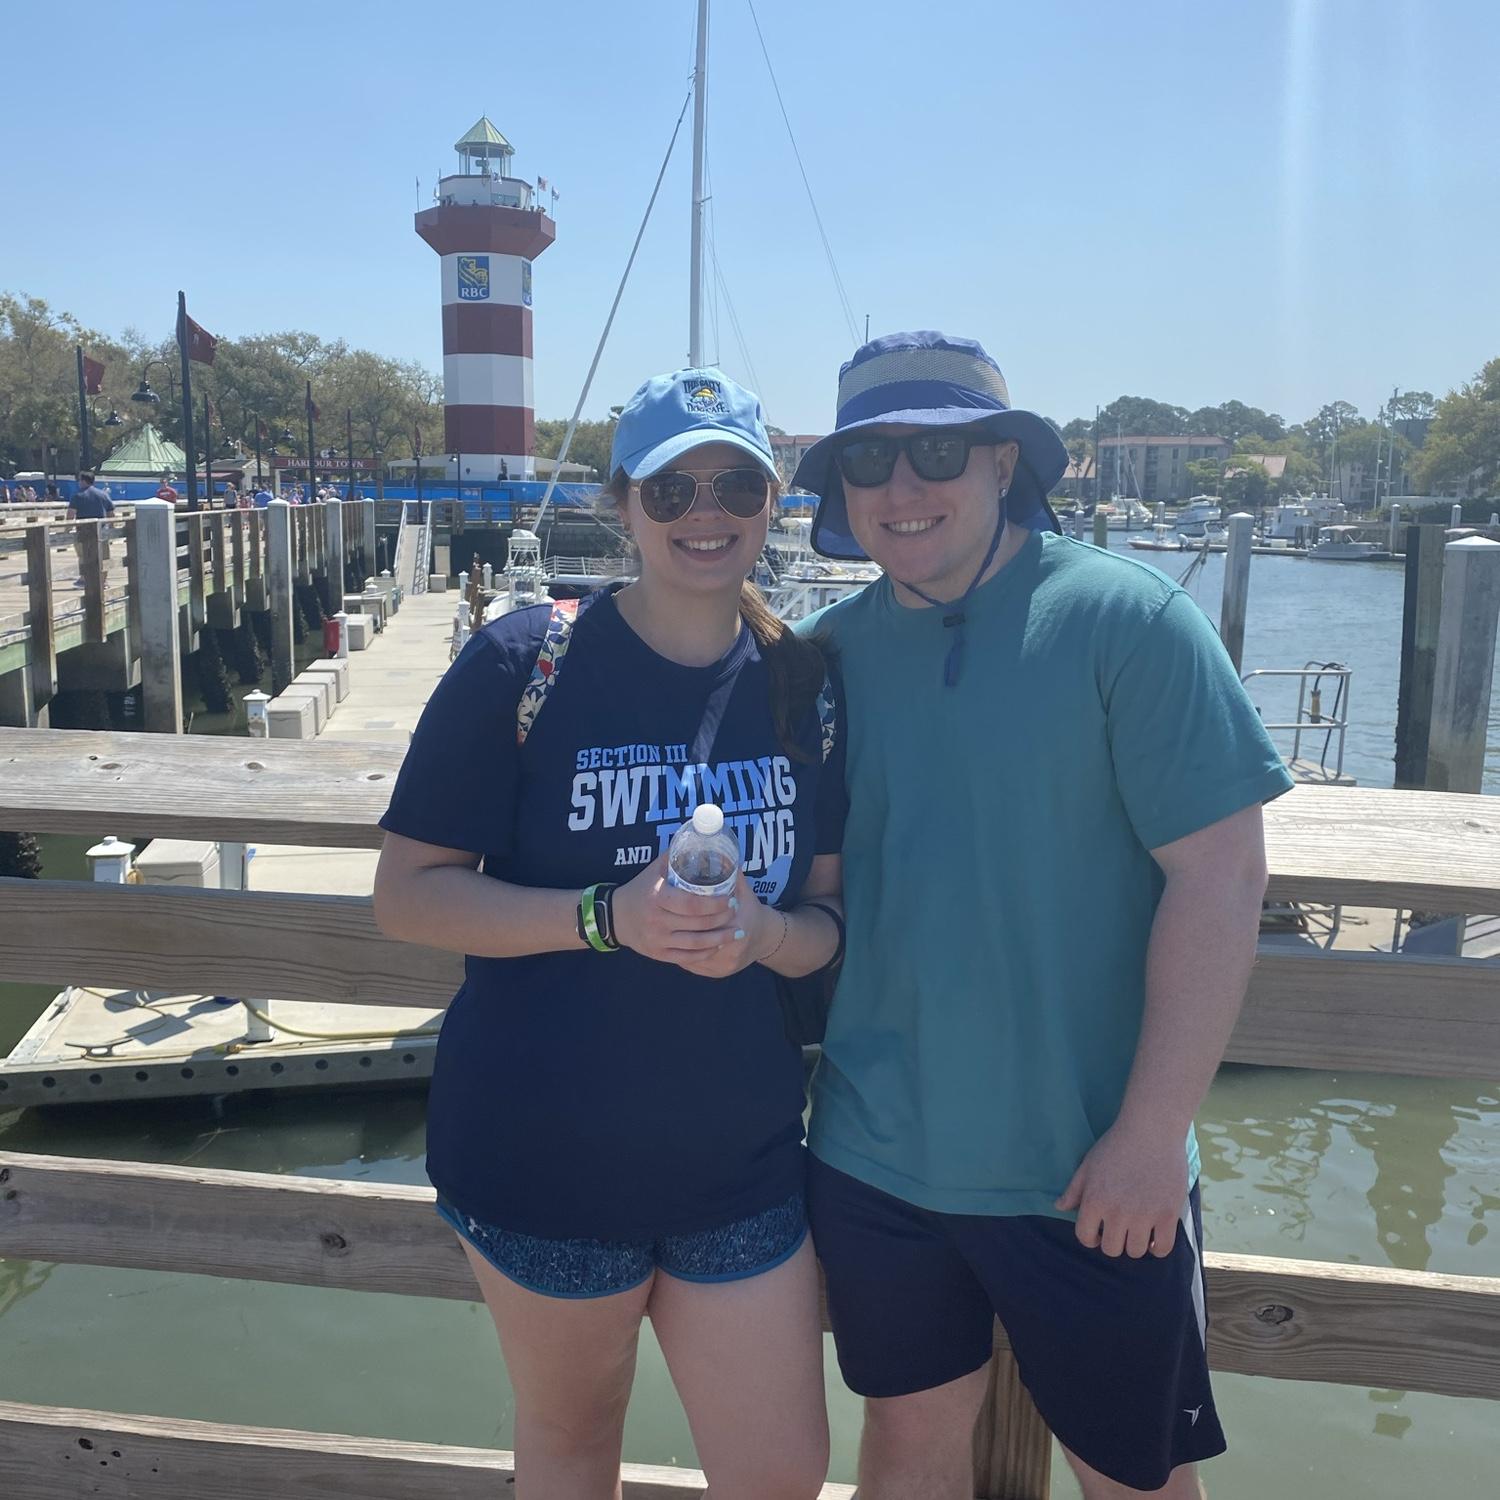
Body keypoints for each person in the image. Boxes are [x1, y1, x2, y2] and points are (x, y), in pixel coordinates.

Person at [791, 332, 1295, 1500]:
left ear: (1003, 463)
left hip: (1091, 1172)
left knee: (1133, 1476)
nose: (902, 486)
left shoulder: (1132, 621)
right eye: (868, 460)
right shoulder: (823, 658)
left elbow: (1223, 878)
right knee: (905, 1450)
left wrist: (1151, 1136)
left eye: (937, 452)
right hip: (873, 1160)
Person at [373, 366, 846, 1499]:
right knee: (573, 1449)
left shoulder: (806, 685)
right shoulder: (523, 663)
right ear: (622, 504)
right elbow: (408, 895)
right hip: (543, 1158)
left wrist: (761, 936)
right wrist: (605, 917)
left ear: (772, 503)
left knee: (781, 1473)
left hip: (741, 1159)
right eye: (672, 489)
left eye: (737, 485)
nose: (706, 513)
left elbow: (830, 922)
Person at [67, 470, 116, 586]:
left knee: (83, 556)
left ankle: (84, 578)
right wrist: (112, 529)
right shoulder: (103, 494)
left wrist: (67, 529)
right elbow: (111, 513)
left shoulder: (77, 495)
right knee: (104, 556)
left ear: (83, 481)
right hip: (102, 531)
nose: (78, 483)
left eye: (79, 480)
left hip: (82, 531)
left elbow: (70, 514)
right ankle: (103, 581)